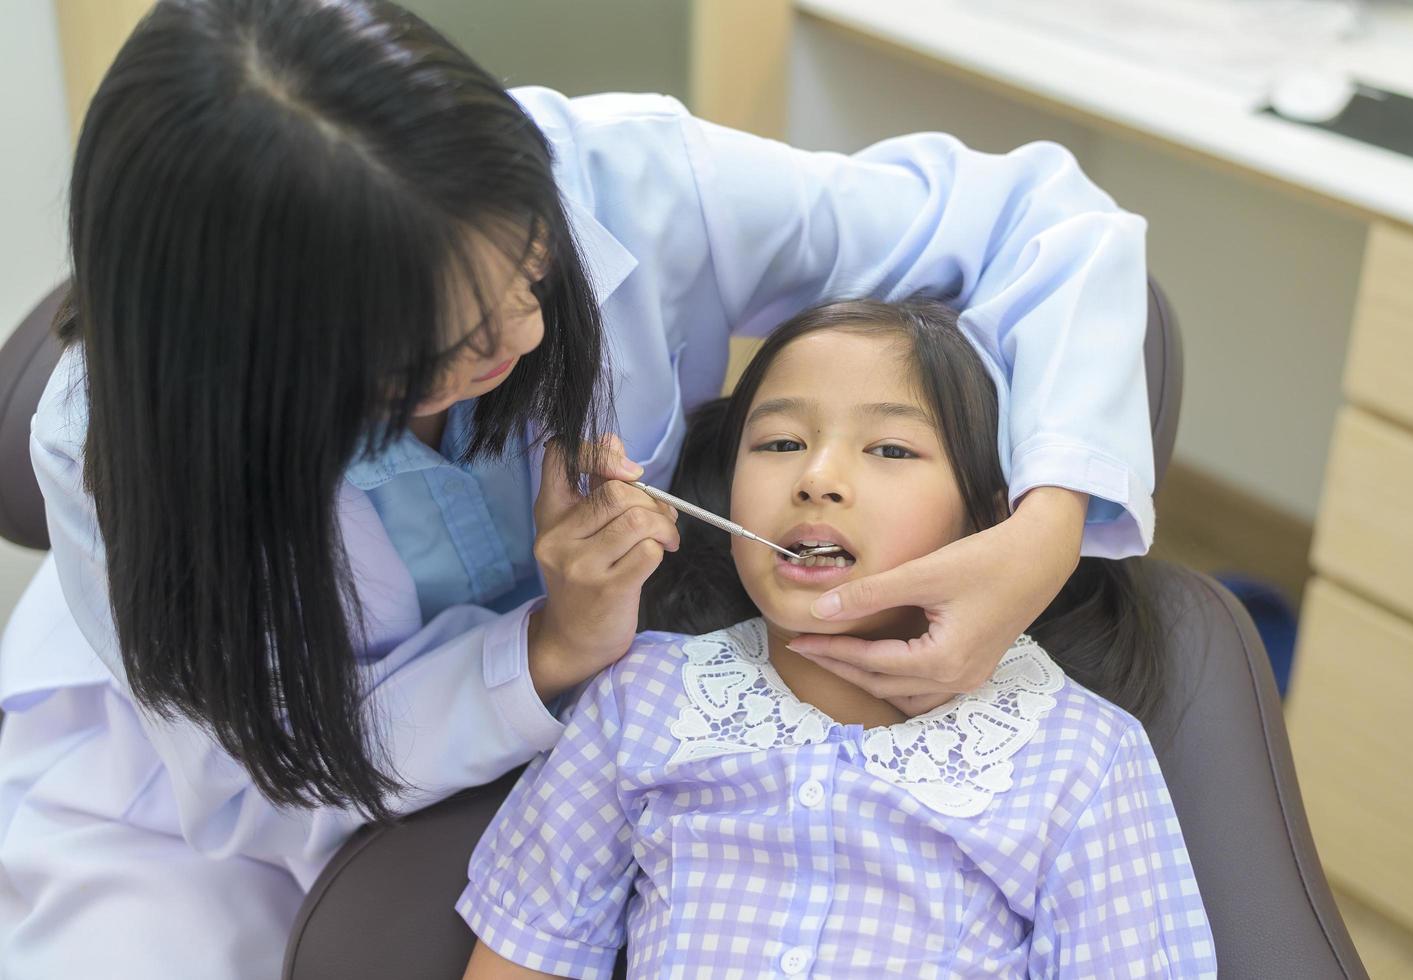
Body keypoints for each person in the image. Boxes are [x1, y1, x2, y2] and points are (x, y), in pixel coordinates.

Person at [0, 0, 1155, 976]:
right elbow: (288, 768)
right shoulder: (639, 716)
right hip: (223, 802)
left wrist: (1042, 534)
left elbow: (1044, 223)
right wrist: (554, 649)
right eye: (434, 352)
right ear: (264, 369)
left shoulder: (632, 178)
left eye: (534, 272)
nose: (529, 332)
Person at [459, 299, 1214, 979]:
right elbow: (528, 948)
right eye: (781, 443)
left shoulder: (1080, 757)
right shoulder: (641, 700)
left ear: (992, 527)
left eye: (889, 450)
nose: (817, 477)